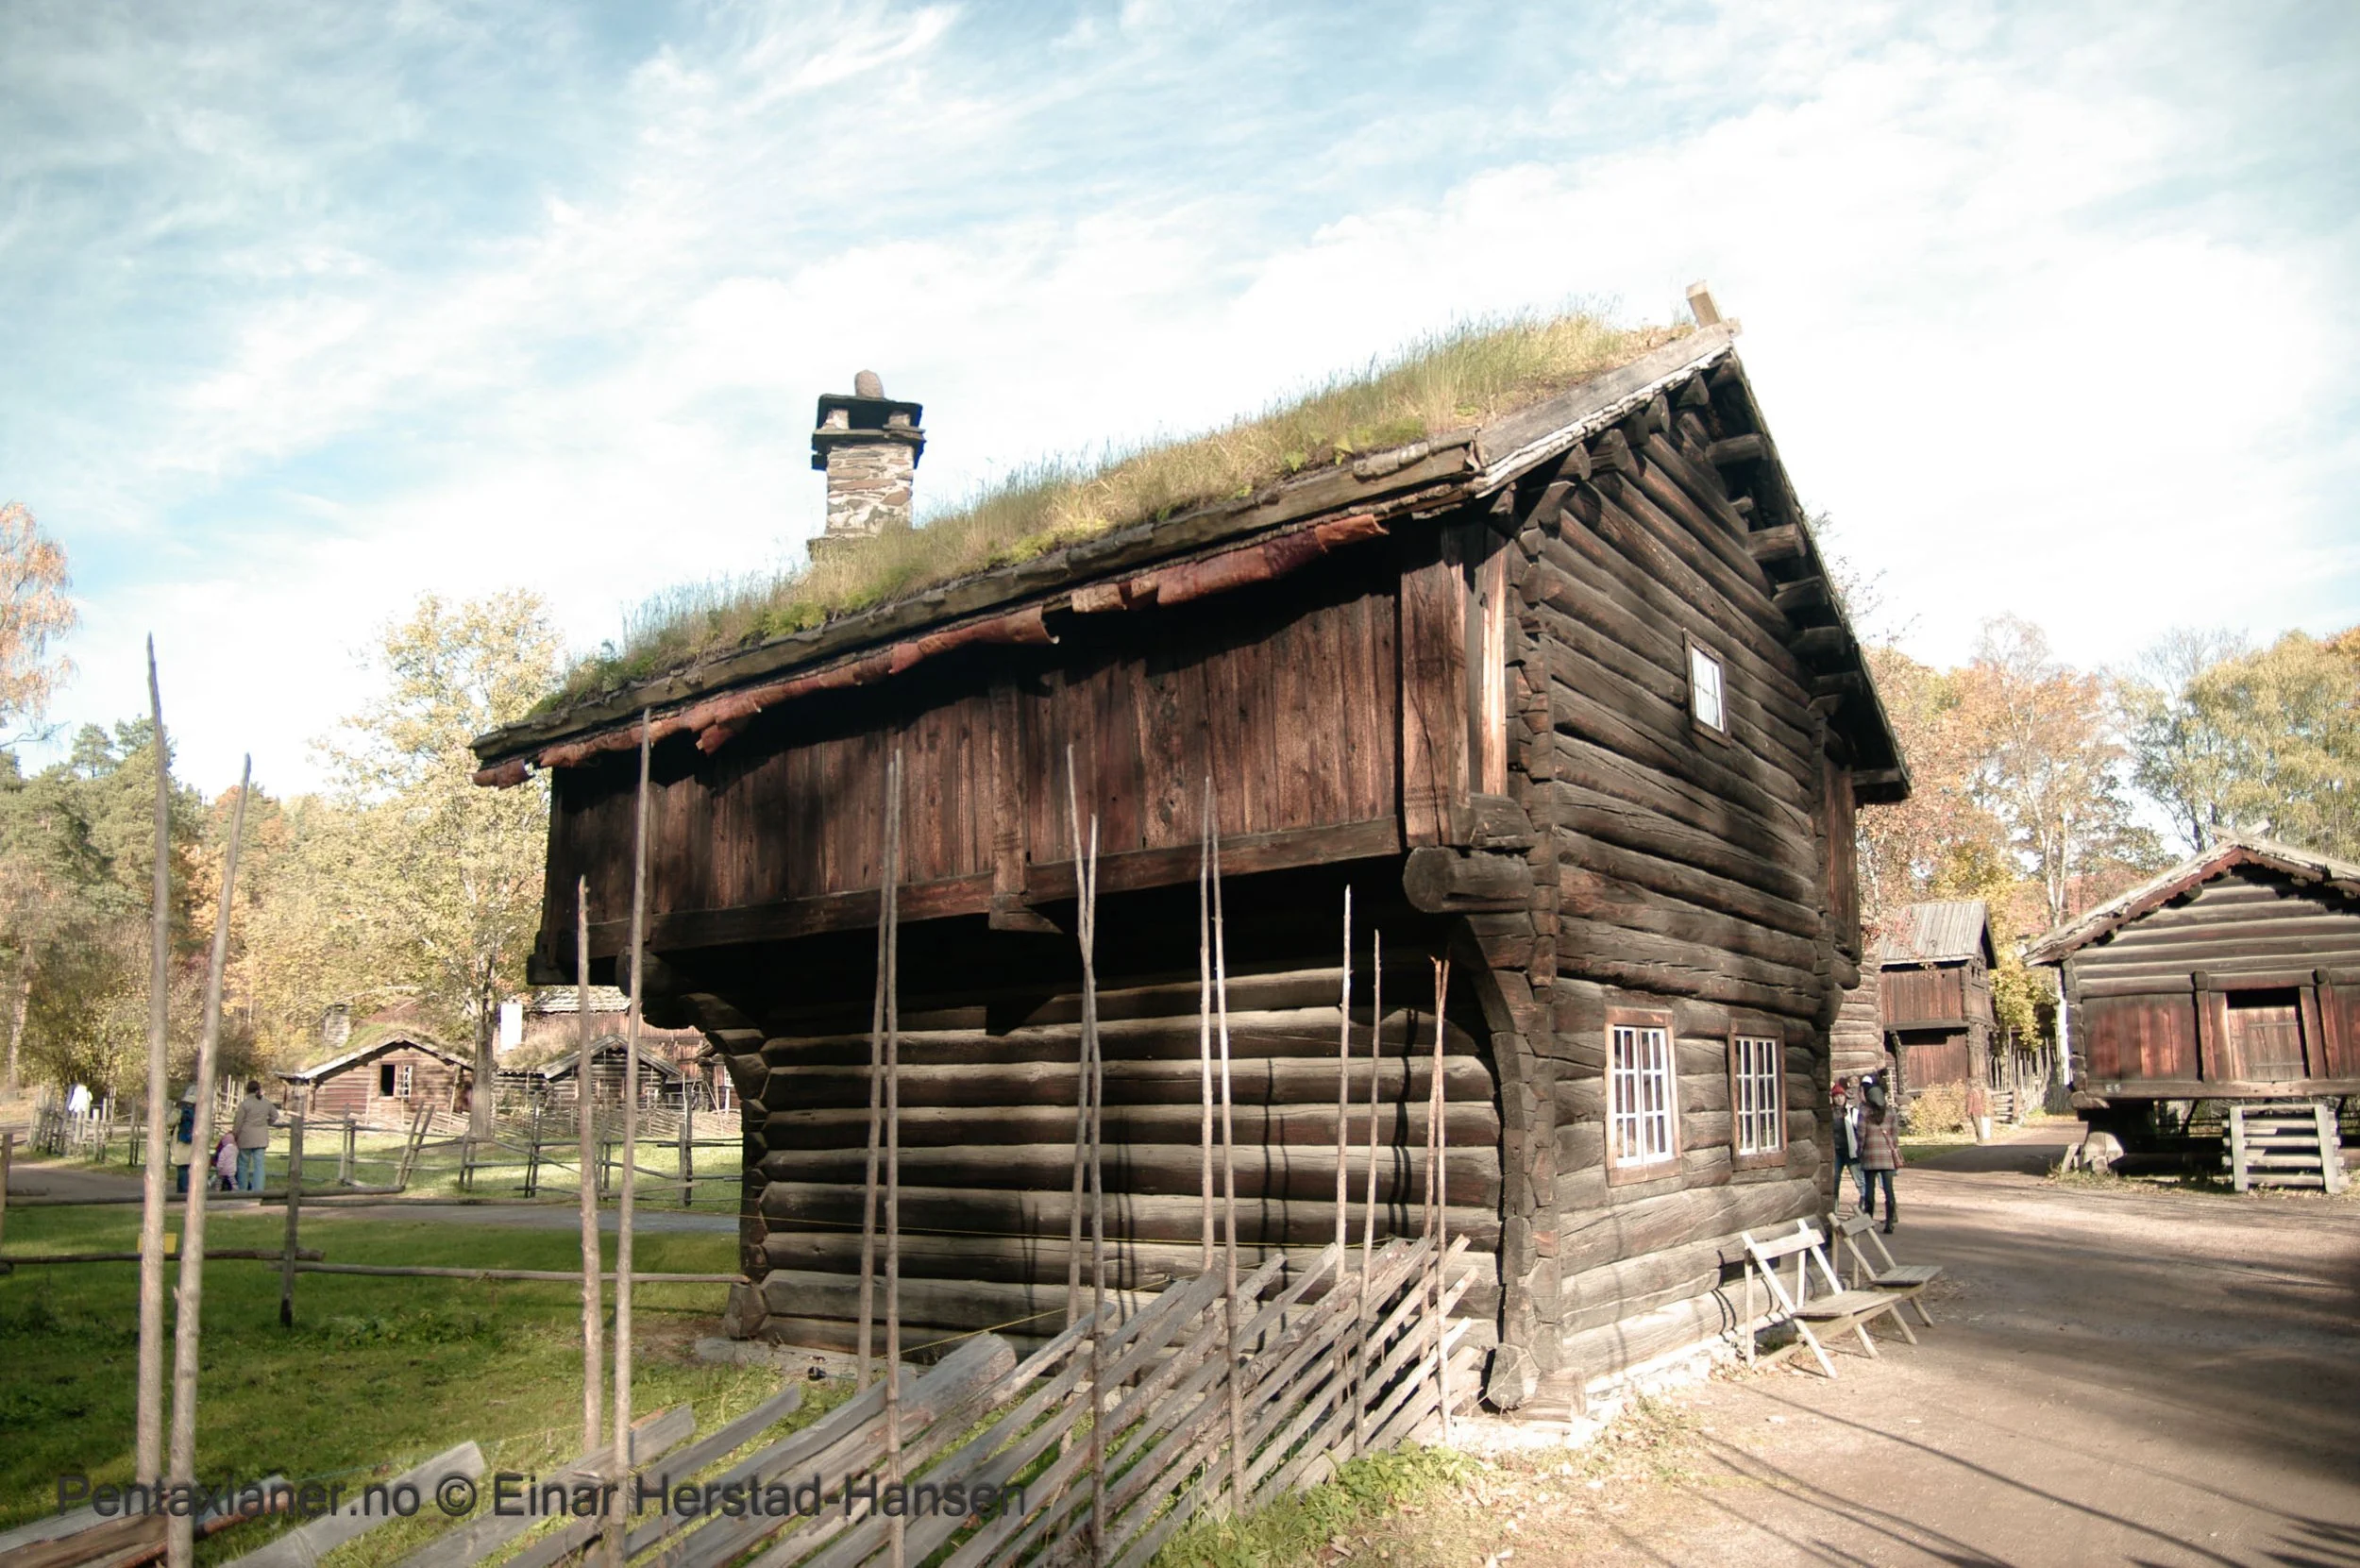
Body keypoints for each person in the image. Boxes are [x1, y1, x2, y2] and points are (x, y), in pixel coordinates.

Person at [1858, 1071, 1904, 1233]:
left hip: (1870, 1156)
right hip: (1887, 1157)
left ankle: (1868, 1220)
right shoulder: (1890, 1112)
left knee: (1869, 1191)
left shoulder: (1864, 1112)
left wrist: (1860, 1151)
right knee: (1888, 1190)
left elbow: (1861, 1135)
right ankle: (1890, 1222)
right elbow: (1895, 1135)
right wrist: (1894, 1149)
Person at [1831, 1080, 1869, 1212]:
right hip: (1836, 1152)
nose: (1839, 1099)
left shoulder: (1852, 1112)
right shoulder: (1830, 1114)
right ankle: (1833, 1211)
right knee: (1834, 1181)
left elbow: (1860, 1130)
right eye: (1836, 1096)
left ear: (1845, 1097)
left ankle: (1865, 1208)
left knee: (1860, 1181)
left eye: (1841, 1096)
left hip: (1851, 1151)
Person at [232, 1080, 277, 1191]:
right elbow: (275, 1116)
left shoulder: (244, 1104)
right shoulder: (266, 1103)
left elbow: (238, 1122)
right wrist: (267, 1123)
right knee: (259, 1165)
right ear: (258, 1089)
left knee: (243, 1164)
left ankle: (242, 1189)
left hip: (245, 1137)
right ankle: (258, 1190)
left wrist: (235, 1135)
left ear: (247, 1090)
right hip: (261, 1137)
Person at [171, 1084, 199, 1195]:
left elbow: (170, 1122)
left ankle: (182, 1192)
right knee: (193, 1167)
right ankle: (193, 1191)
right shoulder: (201, 1106)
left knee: (182, 1167)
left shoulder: (181, 1106)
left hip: (181, 1140)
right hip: (196, 1140)